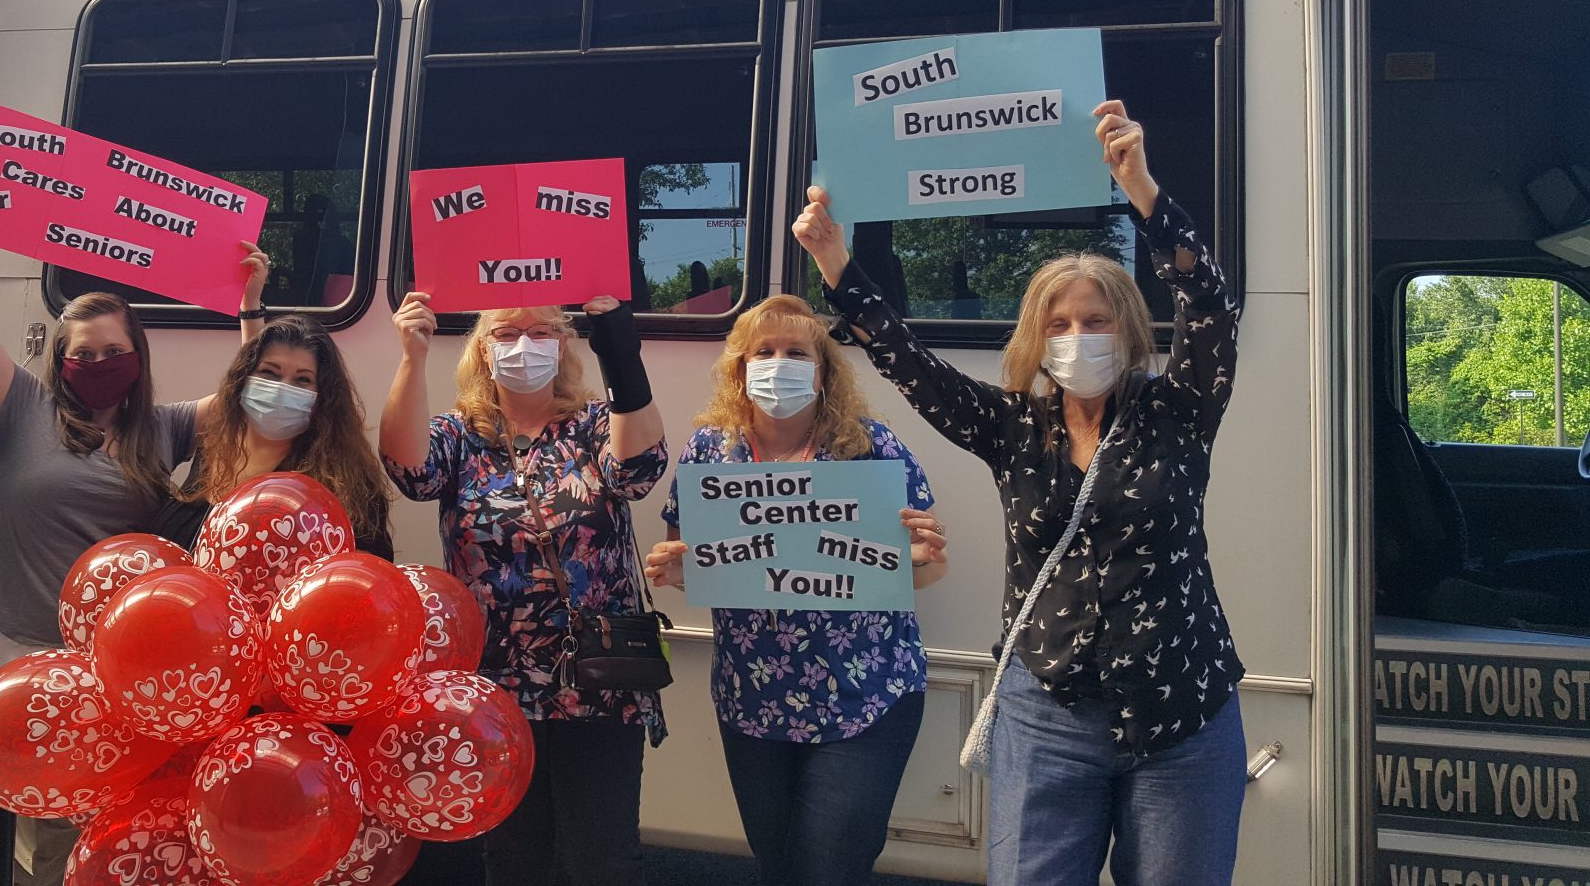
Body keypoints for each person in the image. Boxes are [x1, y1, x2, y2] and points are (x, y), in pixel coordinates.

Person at [793, 102, 1246, 886]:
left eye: (1096, 320)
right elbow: (912, 364)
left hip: (1182, 714)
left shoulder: (1180, 412)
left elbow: (1209, 306)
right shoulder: (1012, 426)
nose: (1077, 338)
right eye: (1060, 324)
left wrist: (1141, 189)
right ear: (1037, 339)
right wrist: (836, 266)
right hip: (1048, 716)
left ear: (1130, 330)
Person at [0, 153, 266, 885]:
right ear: (62, 361)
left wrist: (249, 310)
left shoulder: (163, 426)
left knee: (119, 824)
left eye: (115, 352)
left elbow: (247, 398)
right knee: (44, 833)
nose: (100, 363)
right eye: (86, 354)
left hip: (130, 665)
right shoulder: (20, 408)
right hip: (34, 653)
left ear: (136, 358)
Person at [641, 294, 948, 886]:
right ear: (740, 367)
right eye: (765, 351)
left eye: (796, 352)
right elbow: (695, 563)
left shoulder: (871, 448)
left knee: (828, 869)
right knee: (777, 864)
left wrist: (922, 557)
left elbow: (926, 571)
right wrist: (677, 571)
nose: (779, 362)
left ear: (824, 368)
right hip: (750, 701)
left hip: (865, 697)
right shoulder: (711, 452)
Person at [380, 292, 665, 886]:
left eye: (540, 332)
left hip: (598, 681)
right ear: (484, 351)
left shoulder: (591, 424)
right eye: (506, 334)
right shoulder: (459, 436)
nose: (523, 346)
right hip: (494, 687)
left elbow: (639, 470)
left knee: (603, 860)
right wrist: (411, 356)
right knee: (513, 858)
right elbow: (410, 470)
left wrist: (616, 339)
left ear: (562, 346)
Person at [153, 312, 395, 560]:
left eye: (302, 380)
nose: (282, 389)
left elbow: (365, 572)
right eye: (269, 373)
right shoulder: (214, 445)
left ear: (324, 397)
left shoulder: (347, 482)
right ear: (244, 379)